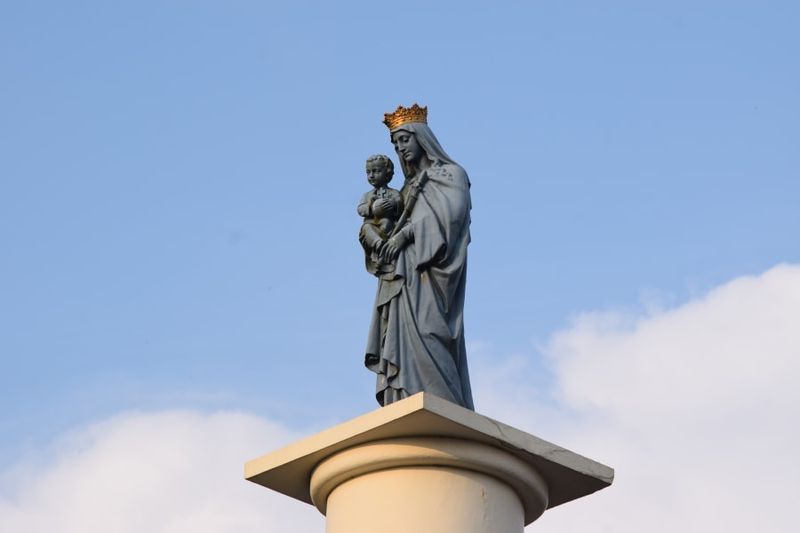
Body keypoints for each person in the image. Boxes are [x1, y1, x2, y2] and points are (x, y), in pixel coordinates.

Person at [364, 104, 474, 410]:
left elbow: (451, 218)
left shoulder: (451, 175)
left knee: (430, 330)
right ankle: (404, 400)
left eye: (404, 139)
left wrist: (406, 234)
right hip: (401, 279)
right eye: (396, 143)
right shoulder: (404, 190)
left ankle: (445, 405)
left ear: (421, 138)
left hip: (432, 276)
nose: (400, 147)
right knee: (400, 340)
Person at [357, 154, 403, 276]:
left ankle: (384, 252)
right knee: (366, 228)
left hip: (389, 225)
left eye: (376, 171)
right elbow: (360, 210)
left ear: (387, 173)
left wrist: (393, 204)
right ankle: (379, 245)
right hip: (372, 225)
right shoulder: (367, 195)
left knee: (388, 223)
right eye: (368, 172)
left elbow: (401, 205)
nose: (371, 175)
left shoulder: (394, 193)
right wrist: (370, 207)